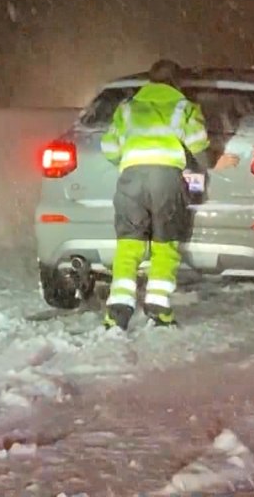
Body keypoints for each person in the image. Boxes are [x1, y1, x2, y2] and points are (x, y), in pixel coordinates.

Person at [100, 58, 216, 329]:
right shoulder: (184, 108)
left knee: (128, 244)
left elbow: (110, 149)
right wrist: (212, 161)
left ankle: (117, 310)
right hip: (166, 180)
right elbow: (200, 150)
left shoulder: (128, 108)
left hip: (131, 179)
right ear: (176, 83)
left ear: (149, 81)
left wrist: (133, 160)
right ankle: (158, 306)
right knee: (166, 242)